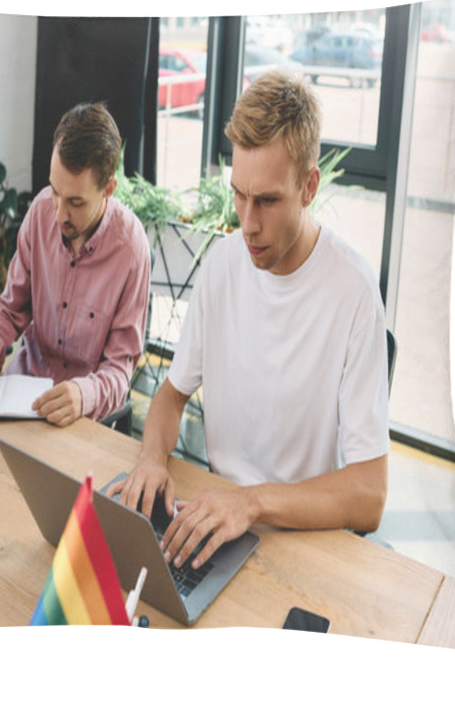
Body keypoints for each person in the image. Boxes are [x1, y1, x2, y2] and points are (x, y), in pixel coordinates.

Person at [109, 70, 389, 571]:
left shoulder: (353, 291)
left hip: (299, 536)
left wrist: (252, 502)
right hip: (217, 521)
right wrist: (151, 458)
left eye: (267, 200)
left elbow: (370, 494)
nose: (248, 222)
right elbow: (171, 396)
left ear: (309, 186)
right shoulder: (222, 264)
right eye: (239, 194)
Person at [0, 102, 151, 428]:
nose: (60, 213)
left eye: (76, 202)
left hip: (82, 421)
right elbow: (11, 310)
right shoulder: (40, 213)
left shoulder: (131, 250)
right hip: (20, 402)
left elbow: (120, 369)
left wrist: (84, 394)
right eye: (55, 192)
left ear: (108, 189)